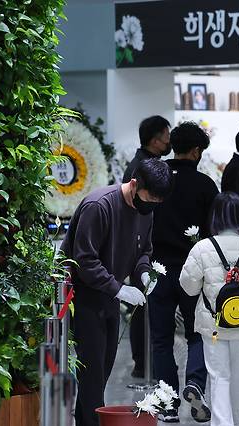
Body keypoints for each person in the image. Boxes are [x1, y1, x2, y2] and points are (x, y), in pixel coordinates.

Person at [61, 158, 173, 426]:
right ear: (134, 184)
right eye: (149, 200)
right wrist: (119, 289)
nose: (151, 207)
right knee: (93, 375)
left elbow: (143, 250)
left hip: (109, 297)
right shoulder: (99, 206)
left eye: (157, 203)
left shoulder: (146, 211)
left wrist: (144, 272)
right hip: (82, 297)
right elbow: (84, 261)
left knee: (101, 372)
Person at [148, 122, 219, 423]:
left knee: (162, 339)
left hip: (156, 269)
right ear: (196, 151)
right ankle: (195, 383)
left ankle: (167, 404)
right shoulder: (205, 185)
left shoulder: (154, 177)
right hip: (194, 270)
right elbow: (214, 232)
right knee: (198, 333)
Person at [180, 193, 239, 426]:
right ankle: (236, 422)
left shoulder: (202, 247)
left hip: (214, 327)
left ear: (215, 215)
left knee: (219, 377)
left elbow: (188, 286)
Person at [122, 115, 172, 379]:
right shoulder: (140, 170)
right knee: (141, 305)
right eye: (166, 134)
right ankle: (142, 361)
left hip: (143, 248)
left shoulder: (146, 164)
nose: (169, 140)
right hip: (140, 249)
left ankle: (144, 360)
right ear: (155, 139)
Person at [123, 115, 172, 183]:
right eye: (167, 137)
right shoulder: (145, 170)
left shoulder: (143, 162)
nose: (169, 141)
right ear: (155, 142)